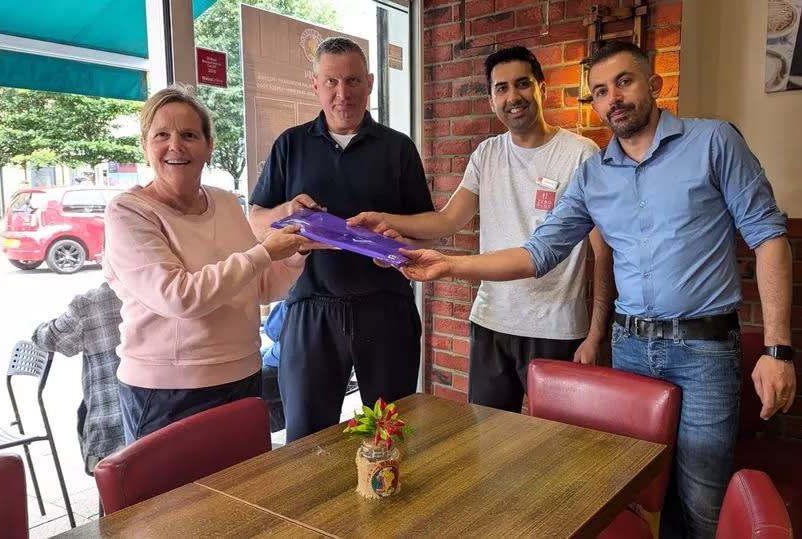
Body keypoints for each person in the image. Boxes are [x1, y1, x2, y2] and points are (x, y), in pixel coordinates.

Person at [398, 41, 796, 538]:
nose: (614, 99)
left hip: (705, 348)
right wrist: (450, 266)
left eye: (625, 82)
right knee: (626, 489)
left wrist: (778, 347)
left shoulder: (713, 141)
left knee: (700, 497)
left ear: (654, 85)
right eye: (602, 91)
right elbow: (536, 252)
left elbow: (768, 235)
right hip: (630, 348)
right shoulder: (592, 175)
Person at [348, 46, 613, 413]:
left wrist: (597, 332)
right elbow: (446, 221)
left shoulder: (580, 154)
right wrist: (385, 219)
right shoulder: (486, 154)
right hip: (491, 323)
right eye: (501, 88)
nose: (513, 96)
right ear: (491, 100)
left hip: (557, 329)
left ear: (542, 88)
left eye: (522, 84)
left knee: (559, 447)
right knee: (487, 441)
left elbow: (603, 251)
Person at [104, 85, 323, 444]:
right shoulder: (129, 212)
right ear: (146, 147)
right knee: (173, 502)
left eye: (189, 135)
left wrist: (298, 248)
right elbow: (178, 297)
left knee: (245, 496)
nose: (176, 146)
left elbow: (263, 286)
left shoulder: (225, 202)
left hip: (243, 378)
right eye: (162, 135)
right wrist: (265, 252)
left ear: (208, 147)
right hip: (166, 394)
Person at [248, 37, 433, 442]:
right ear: (315, 85)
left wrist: (396, 234)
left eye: (352, 81)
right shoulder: (290, 144)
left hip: (386, 306)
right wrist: (287, 213)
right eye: (331, 81)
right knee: (306, 440)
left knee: (390, 434)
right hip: (310, 307)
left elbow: (425, 223)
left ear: (369, 83)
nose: (342, 93)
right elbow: (256, 218)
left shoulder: (398, 148)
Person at [31, 282, 124, 475]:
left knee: (114, 496)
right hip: (161, 419)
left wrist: (39, 330)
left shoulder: (89, 304)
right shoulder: (164, 295)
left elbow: (49, 338)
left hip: (109, 428)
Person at [260, 302, 286, 432]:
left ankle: (280, 429)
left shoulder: (297, 291)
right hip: (284, 352)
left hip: (288, 359)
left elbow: (271, 329)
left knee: (252, 382)